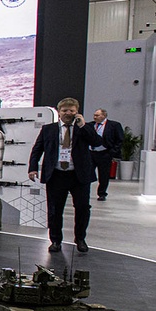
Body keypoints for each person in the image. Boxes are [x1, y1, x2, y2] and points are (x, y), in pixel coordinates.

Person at [28, 97, 103, 253]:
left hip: (78, 175)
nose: (68, 113)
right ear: (59, 112)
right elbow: (37, 149)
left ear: (77, 112)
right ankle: (55, 240)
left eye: (72, 110)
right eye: (65, 110)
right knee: (55, 209)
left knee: (82, 208)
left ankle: (80, 238)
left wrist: (83, 126)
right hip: (56, 175)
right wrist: (33, 168)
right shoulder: (48, 129)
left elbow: (97, 142)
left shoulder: (84, 128)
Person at [89, 108, 123, 201]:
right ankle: (85, 192)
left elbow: (119, 140)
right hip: (91, 153)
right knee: (87, 173)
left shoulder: (114, 125)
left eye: (97, 115)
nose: (95, 117)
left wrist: (112, 152)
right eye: (94, 115)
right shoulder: (90, 125)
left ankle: (102, 193)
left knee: (103, 175)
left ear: (103, 116)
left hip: (105, 153)